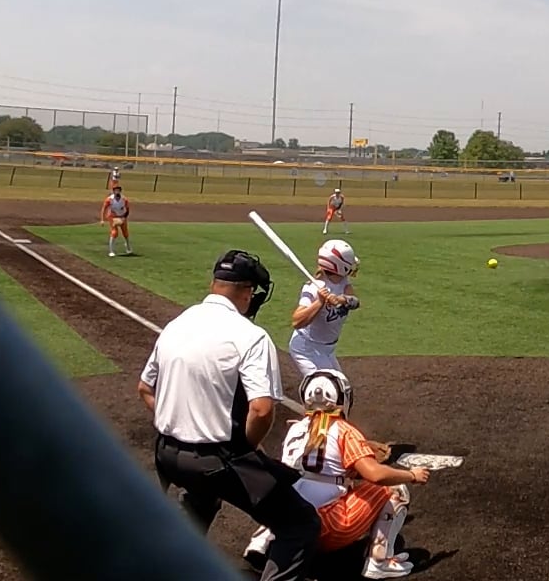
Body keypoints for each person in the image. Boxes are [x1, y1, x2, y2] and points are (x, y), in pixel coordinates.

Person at [140, 250, 319, 581]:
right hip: (216, 460)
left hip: (166, 454)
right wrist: (244, 449)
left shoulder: (177, 324)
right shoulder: (249, 335)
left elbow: (145, 388)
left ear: (214, 284)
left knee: (200, 499)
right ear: (248, 293)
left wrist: (183, 422)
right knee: (299, 522)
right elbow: (261, 410)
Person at [244, 369, 429, 579]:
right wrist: (412, 475)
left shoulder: (295, 429)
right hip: (325, 527)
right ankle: (380, 561)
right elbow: (375, 475)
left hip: (287, 522)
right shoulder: (344, 430)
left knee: (293, 490)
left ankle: (264, 539)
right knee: (395, 490)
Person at [289, 240, 358, 382]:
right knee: (327, 387)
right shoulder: (313, 288)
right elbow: (297, 321)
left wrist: (341, 299)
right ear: (341, 266)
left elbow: (355, 302)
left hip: (328, 349)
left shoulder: (343, 282)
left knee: (342, 386)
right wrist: (319, 302)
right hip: (307, 348)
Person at [100, 187, 134, 257]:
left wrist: (124, 218)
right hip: (112, 217)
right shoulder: (109, 199)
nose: (117, 192)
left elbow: (127, 210)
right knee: (114, 233)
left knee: (125, 232)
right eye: (116, 191)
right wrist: (102, 219)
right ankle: (111, 251)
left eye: (118, 191)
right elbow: (104, 209)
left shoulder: (124, 199)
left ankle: (128, 247)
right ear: (113, 192)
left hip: (122, 216)